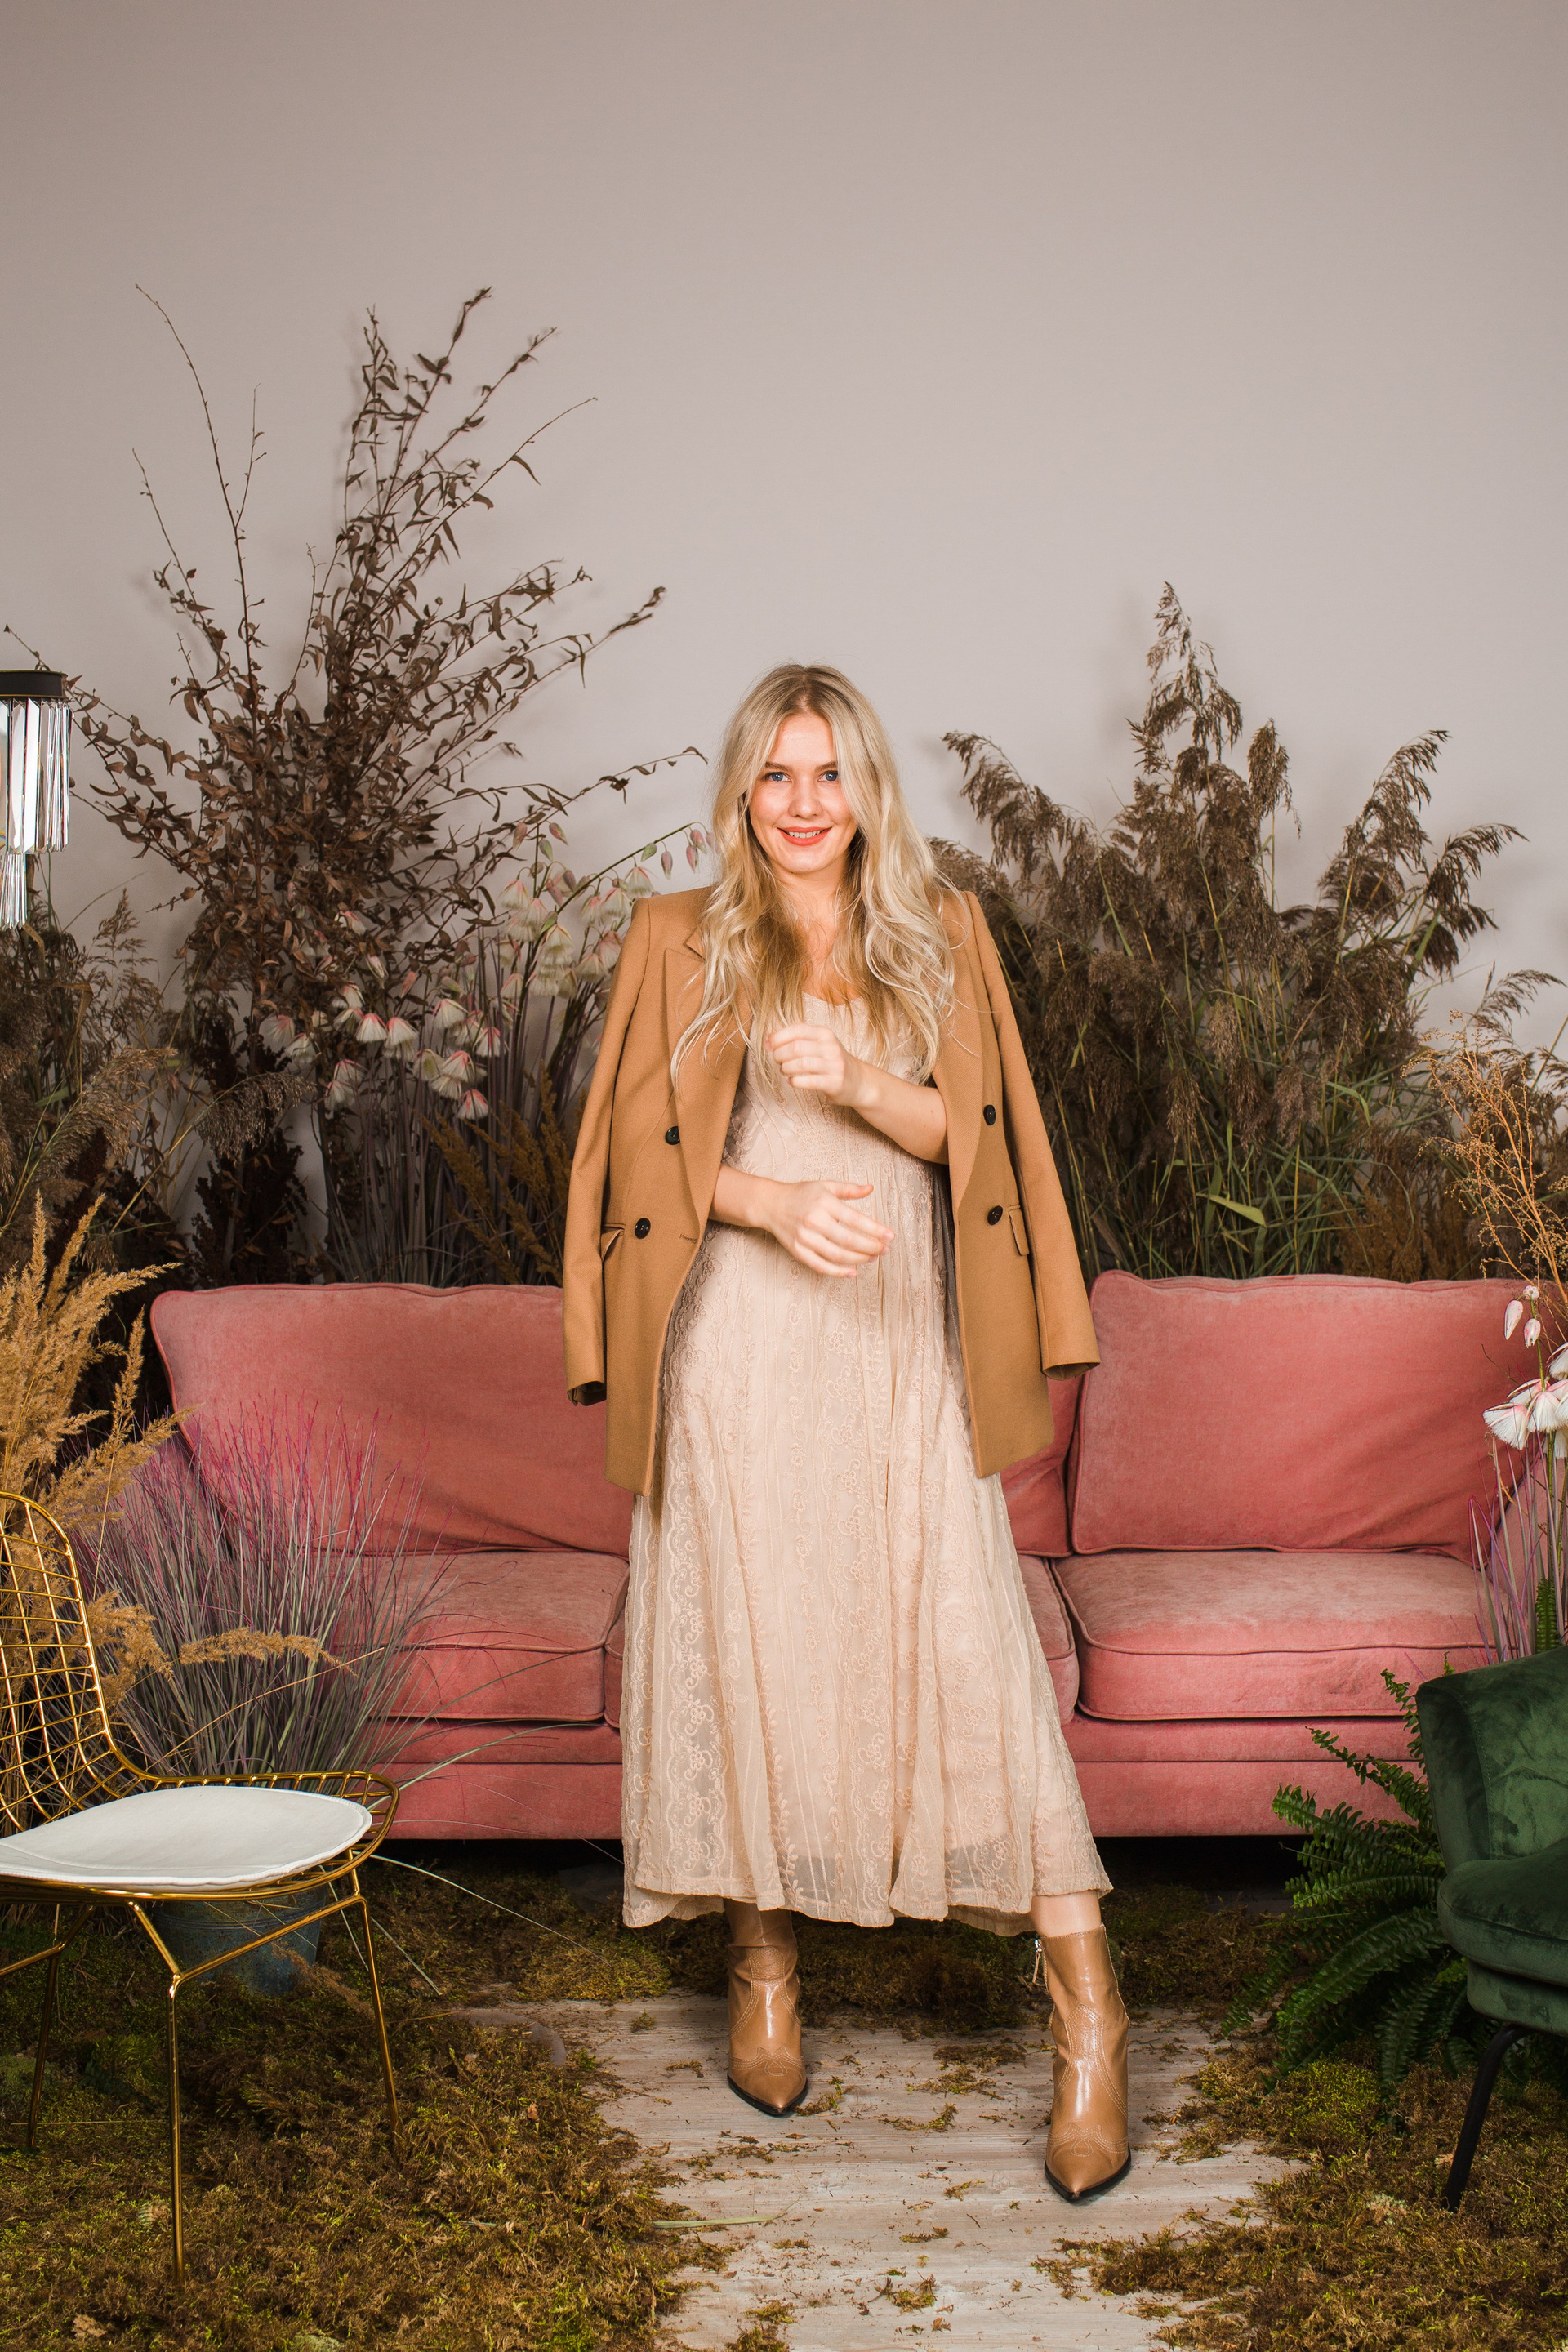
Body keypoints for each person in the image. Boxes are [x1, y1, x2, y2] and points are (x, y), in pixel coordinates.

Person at [563, 664, 1129, 2200]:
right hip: (736, 1347)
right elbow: (630, 1164)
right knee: (746, 1633)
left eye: (829, 774)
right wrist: (765, 1199)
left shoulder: (941, 930)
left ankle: (1089, 2018)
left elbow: (979, 1135)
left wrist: (866, 1086)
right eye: (775, 775)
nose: (804, 804)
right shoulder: (677, 936)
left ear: (868, 787)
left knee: (967, 1640)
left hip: (898, 1343)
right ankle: (764, 1965)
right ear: (741, 794)